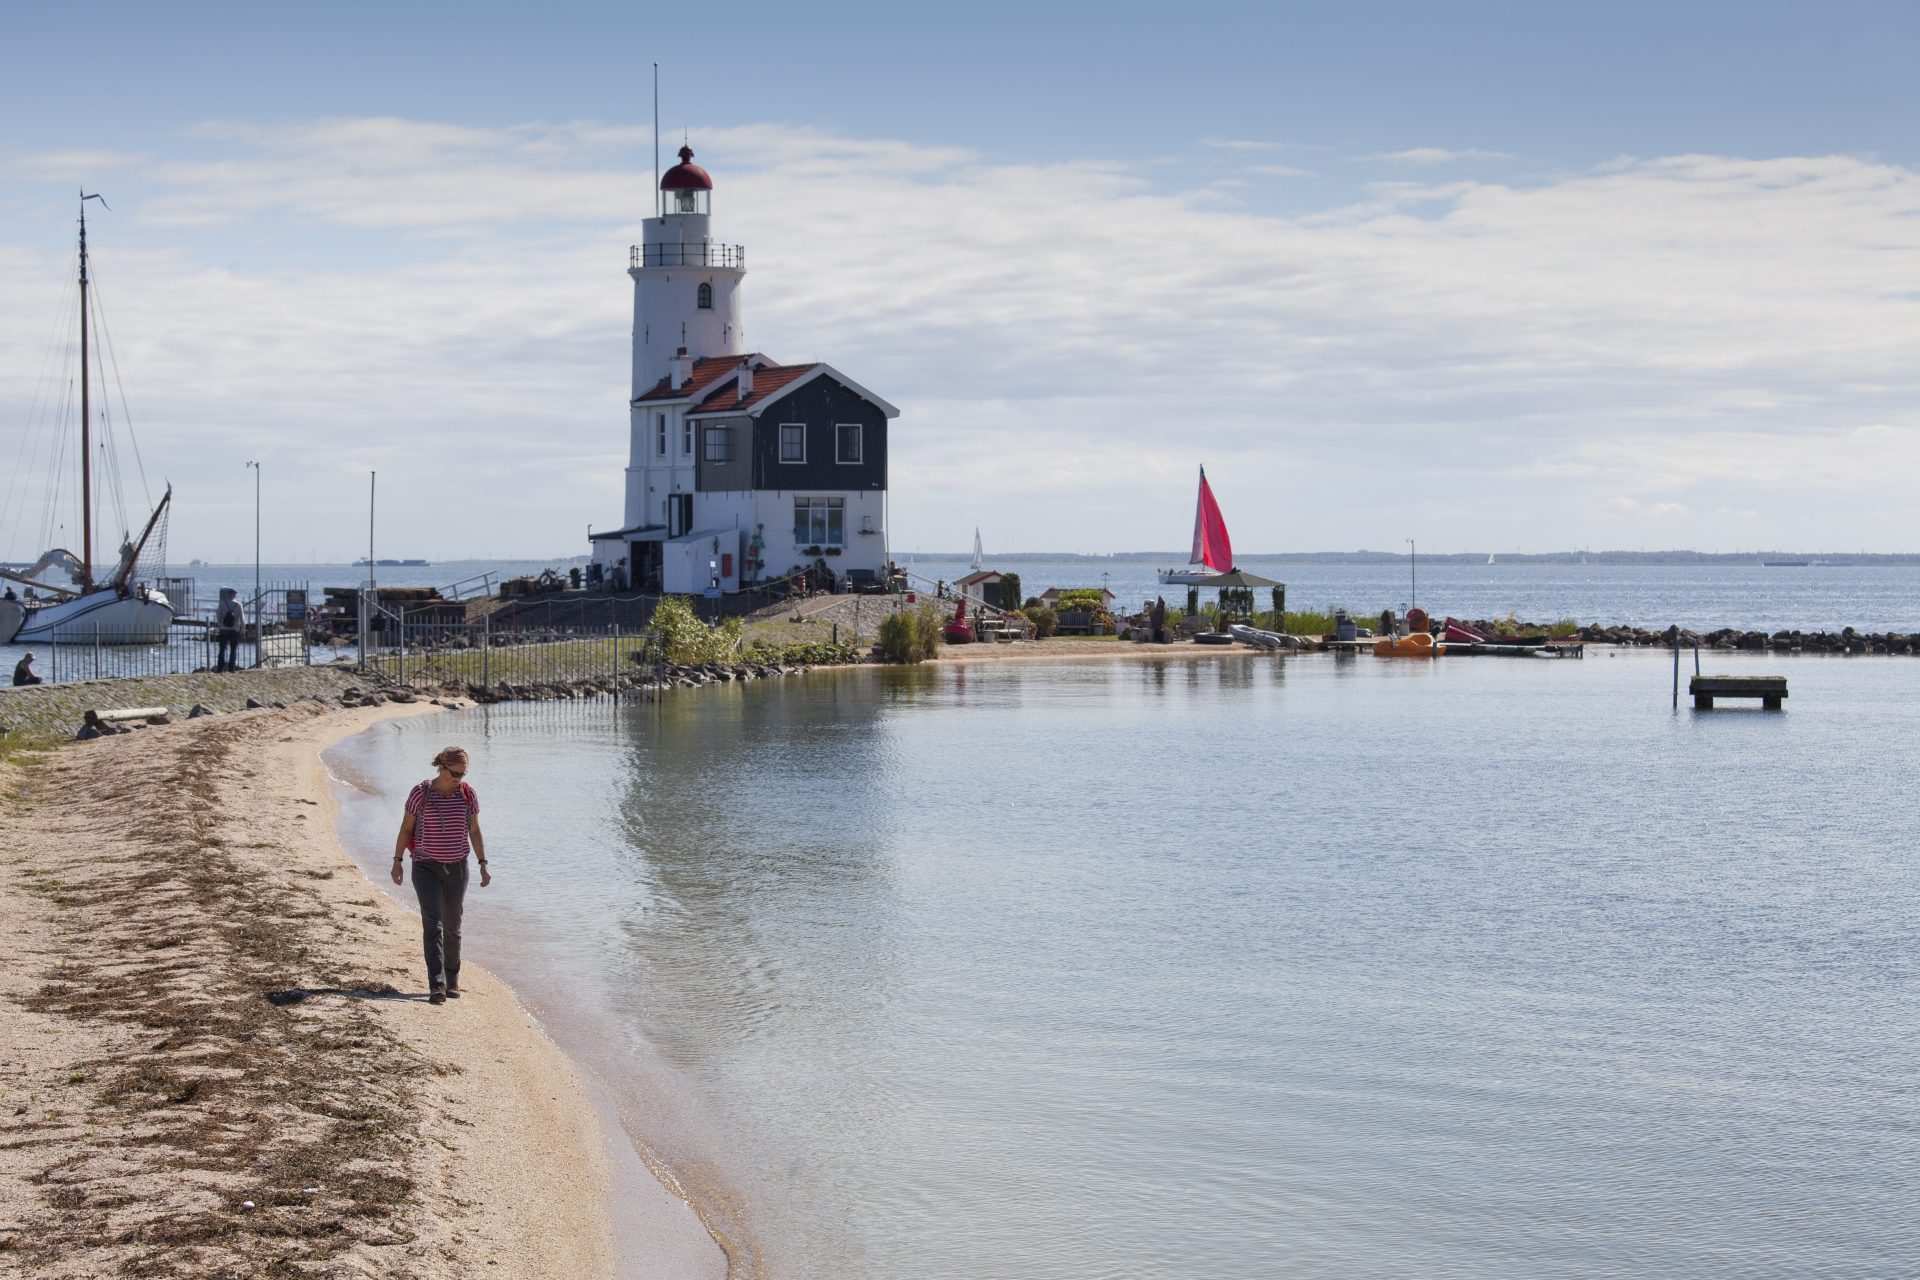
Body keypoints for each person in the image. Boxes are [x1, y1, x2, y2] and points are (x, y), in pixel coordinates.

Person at [392, 746, 490, 1004]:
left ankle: (453, 980)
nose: (459, 777)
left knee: (453, 926)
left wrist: (483, 862)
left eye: (463, 772)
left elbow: (475, 831)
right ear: (441, 767)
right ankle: (436, 984)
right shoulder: (421, 793)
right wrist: (397, 861)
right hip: (426, 866)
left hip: (458, 866)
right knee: (432, 924)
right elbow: (406, 828)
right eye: (454, 772)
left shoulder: (467, 795)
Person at [215, 587, 244, 673]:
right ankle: (231, 669)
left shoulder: (222, 603)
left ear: (228, 594)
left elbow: (218, 615)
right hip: (235, 629)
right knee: (233, 649)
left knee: (222, 649)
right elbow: (242, 618)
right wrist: (242, 629)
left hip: (224, 629)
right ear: (234, 595)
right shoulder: (239, 605)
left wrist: (220, 625)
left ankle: (220, 669)